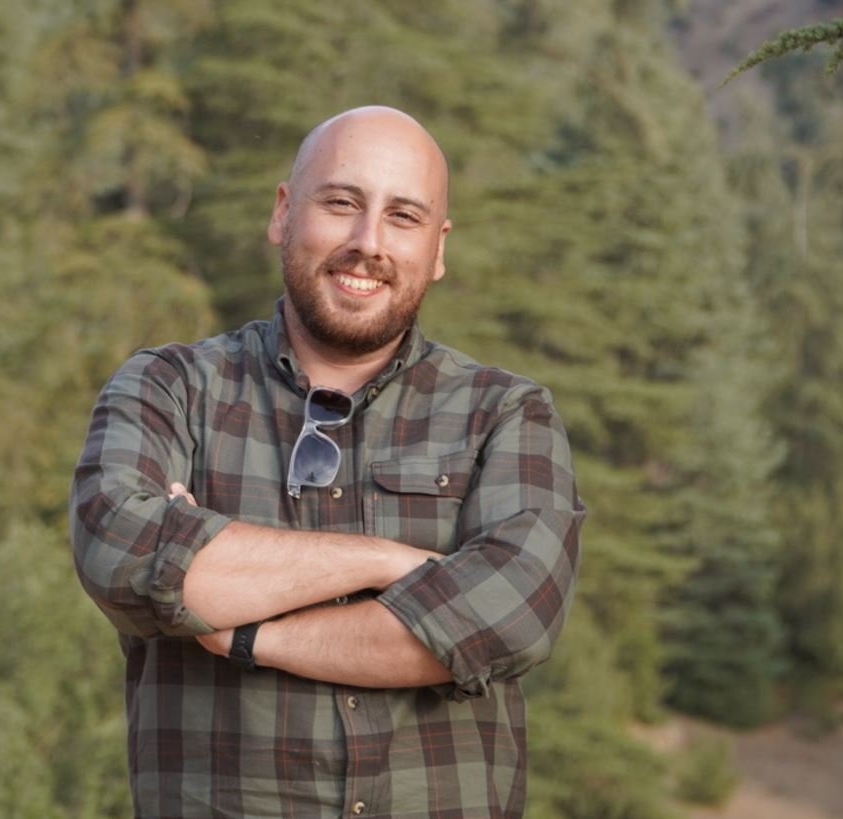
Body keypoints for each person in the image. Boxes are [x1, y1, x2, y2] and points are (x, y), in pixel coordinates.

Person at [70, 105, 584, 819]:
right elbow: (123, 557)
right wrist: (388, 562)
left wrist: (243, 631)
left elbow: (511, 616)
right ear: (283, 213)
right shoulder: (170, 388)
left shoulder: (506, 413)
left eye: (403, 217)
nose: (367, 241)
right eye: (341, 203)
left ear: (437, 249)